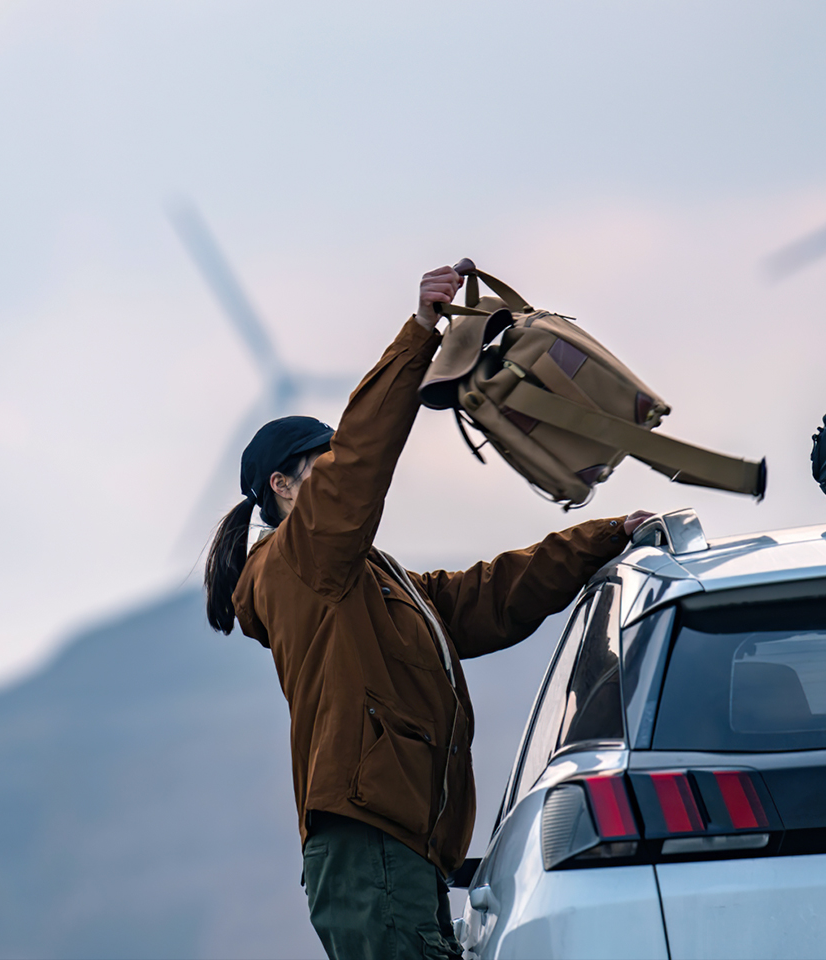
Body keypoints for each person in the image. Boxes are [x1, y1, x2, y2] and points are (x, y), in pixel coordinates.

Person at [203, 264, 653, 960]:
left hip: (403, 855)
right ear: (283, 487)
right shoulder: (295, 564)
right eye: (322, 466)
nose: (340, 472)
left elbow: (485, 598)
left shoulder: (361, 580)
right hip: (370, 849)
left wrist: (602, 537)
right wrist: (419, 335)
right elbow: (362, 458)